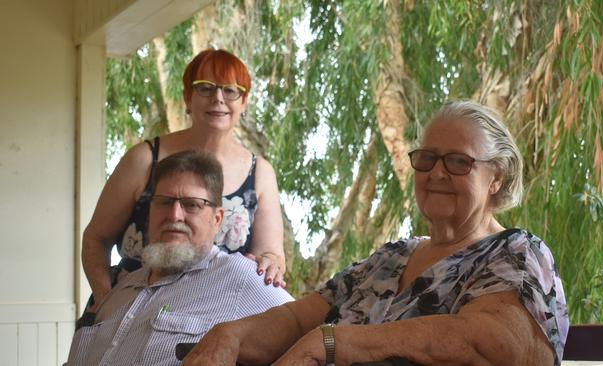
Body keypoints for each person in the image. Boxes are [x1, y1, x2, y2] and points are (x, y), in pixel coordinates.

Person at [182, 100, 569, 366]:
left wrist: (332, 343)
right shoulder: (391, 258)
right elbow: (300, 318)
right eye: (427, 159)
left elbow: (498, 345)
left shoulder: (515, 253)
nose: (436, 173)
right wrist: (230, 335)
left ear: (496, 178)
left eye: (458, 162)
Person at [82, 48, 286, 315]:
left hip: (209, 323)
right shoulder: (144, 159)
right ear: (187, 97)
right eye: (205, 88)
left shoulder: (260, 173)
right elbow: (96, 238)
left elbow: (272, 254)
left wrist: (271, 262)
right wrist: (105, 300)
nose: (218, 98)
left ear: (244, 102)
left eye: (230, 90)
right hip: (127, 315)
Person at [67, 151, 293, 366]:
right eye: (164, 202)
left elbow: (313, 333)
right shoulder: (120, 289)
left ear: (217, 219)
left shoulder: (240, 278)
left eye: (192, 205)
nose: (174, 215)